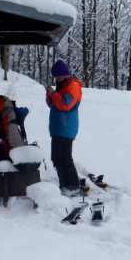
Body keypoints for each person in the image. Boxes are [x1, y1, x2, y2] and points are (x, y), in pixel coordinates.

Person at [45, 59, 83, 197]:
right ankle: (65, 185)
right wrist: (49, 93)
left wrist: (53, 94)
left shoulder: (72, 86)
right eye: (55, 76)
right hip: (57, 127)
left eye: (59, 75)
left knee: (64, 157)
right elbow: (52, 104)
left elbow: (65, 104)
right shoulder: (62, 84)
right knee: (56, 157)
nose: (57, 78)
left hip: (66, 127)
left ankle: (72, 186)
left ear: (65, 73)